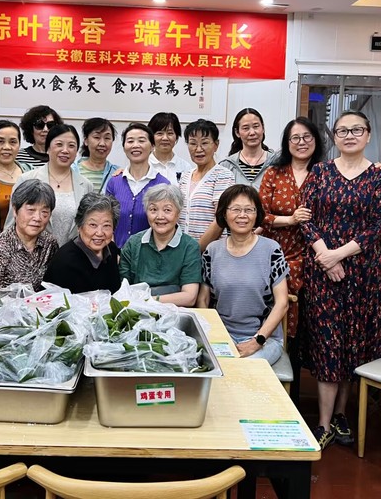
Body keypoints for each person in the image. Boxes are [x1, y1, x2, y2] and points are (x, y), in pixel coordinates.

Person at [300, 110, 381, 450]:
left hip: (362, 272)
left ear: (368, 135)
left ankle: (341, 415)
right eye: (342, 130)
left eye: (357, 130)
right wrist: (326, 256)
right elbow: (306, 218)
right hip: (323, 271)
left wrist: (339, 254)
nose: (349, 135)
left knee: (353, 343)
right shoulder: (320, 172)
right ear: (334, 136)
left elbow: (377, 225)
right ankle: (323, 423)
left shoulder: (379, 176)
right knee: (328, 343)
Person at [198, 184, 289, 367]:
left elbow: (282, 303)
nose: (242, 215)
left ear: (257, 215)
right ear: (224, 214)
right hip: (222, 335)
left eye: (249, 210)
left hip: (264, 338)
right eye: (235, 209)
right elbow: (203, 300)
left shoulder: (272, 250)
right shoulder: (212, 251)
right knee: (207, 364)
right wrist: (215, 336)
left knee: (242, 367)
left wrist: (257, 341)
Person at [259, 117, 325, 341]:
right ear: (287, 143)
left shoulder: (326, 174)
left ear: (316, 140)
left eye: (307, 137)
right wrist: (290, 220)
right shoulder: (273, 173)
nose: (301, 142)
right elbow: (260, 215)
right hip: (276, 254)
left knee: (313, 317)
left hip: (316, 256)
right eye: (295, 138)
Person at [8, 124, 94, 246]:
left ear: (76, 152)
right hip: (33, 253)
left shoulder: (86, 185)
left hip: (72, 255)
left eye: (71, 146)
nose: (65, 150)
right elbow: (11, 224)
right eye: (59, 144)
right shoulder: (27, 179)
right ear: (47, 148)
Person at [119, 184, 201, 306]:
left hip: (176, 312)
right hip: (136, 312)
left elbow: (189, 297)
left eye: (167, 210)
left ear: (178, 213)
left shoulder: (190, 247)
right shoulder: (133, 243)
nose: (160, 216)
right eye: (153, 210)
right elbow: (123, 290)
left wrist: (147, 301)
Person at [0, 179, 59, 296]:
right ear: (15, 210)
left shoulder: (50, 244)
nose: (37, 218)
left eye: (44, 212)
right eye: (31, 210)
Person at [105, 123, 169, 247]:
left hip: (150, 255)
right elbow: (106, 220)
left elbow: (165, 226)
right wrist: (113, 251)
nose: (135, 145)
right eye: (130, 141)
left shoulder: (163, 185)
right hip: (116, 253)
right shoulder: (114, 182)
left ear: (152, 146)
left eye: (141, 140)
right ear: (124, 147)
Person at [44, 193, 121, 294]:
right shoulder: (65, 261)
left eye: (106, 225)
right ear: (79, 227)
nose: (99, 233)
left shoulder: (112, 249)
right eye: (93, 225)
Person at [178, 119, 235, 251]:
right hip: (182, 252)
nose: (198, 149)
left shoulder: (223, 175)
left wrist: (195, 251)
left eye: (204, 143)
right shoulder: (185, 176)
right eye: (193, 143)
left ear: (216, 145)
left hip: (210, 252)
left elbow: (220, 220)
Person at [219, 108, 276, 189]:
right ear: (237, 132)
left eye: (256, 126)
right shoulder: (226, 166)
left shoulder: (276, 163)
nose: (252, 133)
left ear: (263, 128)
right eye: (246, 128)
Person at [76, 117, 119, 192]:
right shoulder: (72, 170)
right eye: (97, 137)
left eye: (107, 138)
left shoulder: (117, 173)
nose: (102, 143)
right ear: (86, 141)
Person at [147, 112, 192, 183]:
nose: (165, 138)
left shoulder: (185, 167)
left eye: (170, 133)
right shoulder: (144, 165)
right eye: (159, 133)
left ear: (176, 136)